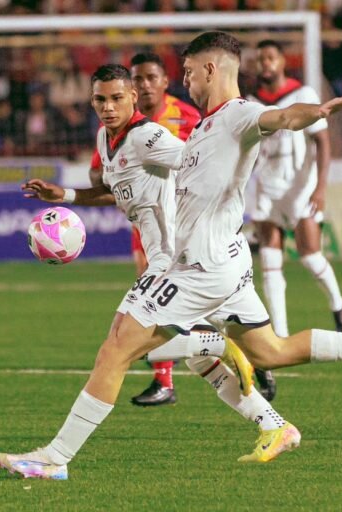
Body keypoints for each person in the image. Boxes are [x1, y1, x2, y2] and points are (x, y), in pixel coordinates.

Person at [0, 32, 342, 481]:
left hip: (196, 270)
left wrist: (314, 114)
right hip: (224, 262)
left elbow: (277, 118)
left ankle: (55, 457)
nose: (186, 80)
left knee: (116, 349)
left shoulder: (239, 114)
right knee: (271, 351)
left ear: (211, 71)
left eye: (189, 72)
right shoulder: (204, 125)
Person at [0, 64, 302, 479]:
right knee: (176, 358)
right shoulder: (108, 139)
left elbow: (195, 160)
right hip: (169, 262)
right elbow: (117, 189)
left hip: (177, 262)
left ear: (134, 98)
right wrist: (67, 195)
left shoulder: (149, 136)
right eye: (100, 100)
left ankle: (56, 458)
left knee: (116, 350)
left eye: (117, 98)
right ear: (92, 101)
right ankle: (271, 421)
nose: (108, 107)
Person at [248, 39, 342, 402]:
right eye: (260, 58)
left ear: (281, 62)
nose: (265, 63)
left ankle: (338, 304)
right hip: (266, 189)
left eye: (270, 57)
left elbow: (322, 144)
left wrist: (320, 187)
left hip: (301, 186)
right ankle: (279, 336)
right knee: (270, 264)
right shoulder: (252, 101)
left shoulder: (303, 92)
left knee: (310, 256)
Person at [125, 52, 202, 406]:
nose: (144, 85)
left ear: (164, 81)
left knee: (184, 301)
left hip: (186, 220)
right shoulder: (124, 123)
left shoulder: (186, 117)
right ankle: (164, 381)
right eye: (137, 79)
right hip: (147, 220)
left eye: (150, 78)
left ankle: (252, 354)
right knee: (158, 299)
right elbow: (100, 169)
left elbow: (208, 160)